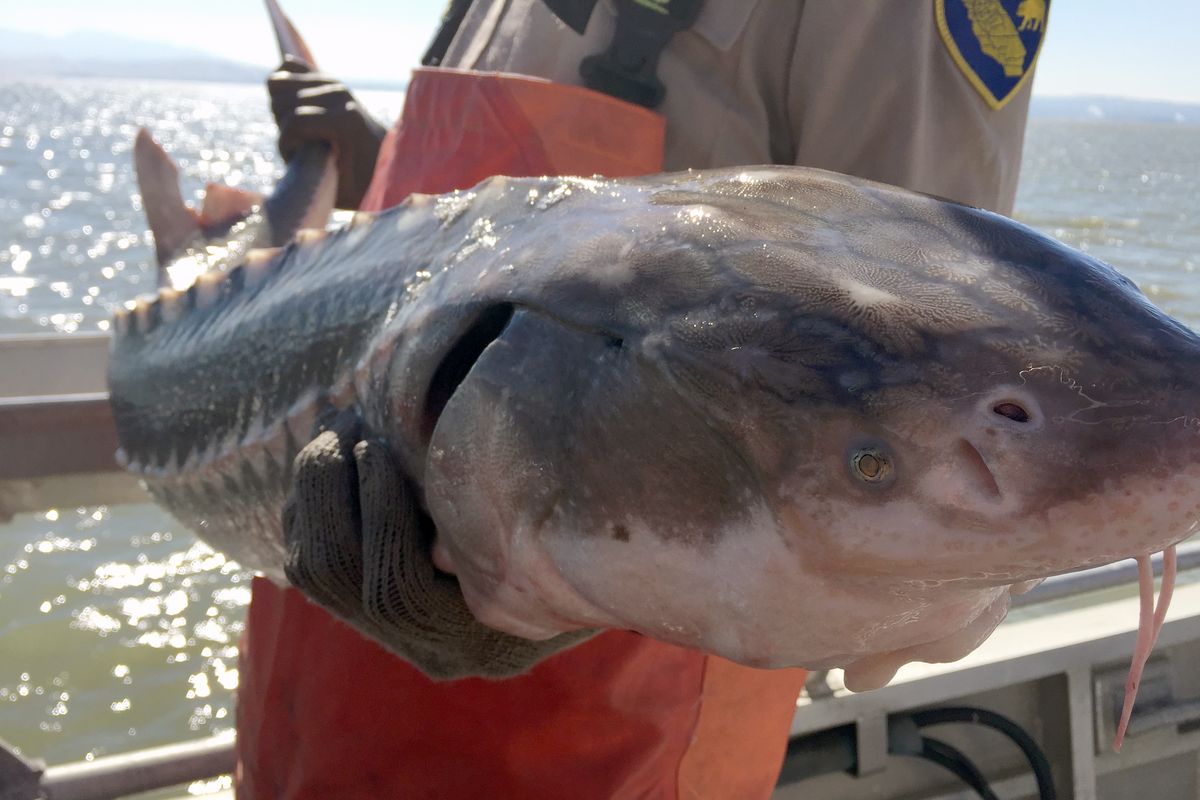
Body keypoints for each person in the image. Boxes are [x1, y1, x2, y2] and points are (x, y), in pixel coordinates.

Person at [238, 1, 1046, 797]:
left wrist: (516, 598)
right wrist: (375, 158)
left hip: (604, 737)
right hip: (311, 702)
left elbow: (908, 406)